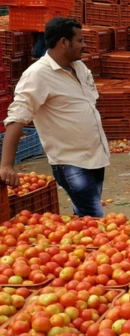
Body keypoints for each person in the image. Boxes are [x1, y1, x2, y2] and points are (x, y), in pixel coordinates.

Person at [0, 17, 110, 217]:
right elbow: (17, 118)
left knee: (85, 218)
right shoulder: (37, 75)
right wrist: (6, 164)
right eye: (79, 40)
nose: (84, 45)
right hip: (70, 161)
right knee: (94, 217)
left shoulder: (80, 68)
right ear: (63, 42)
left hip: (96, 155)